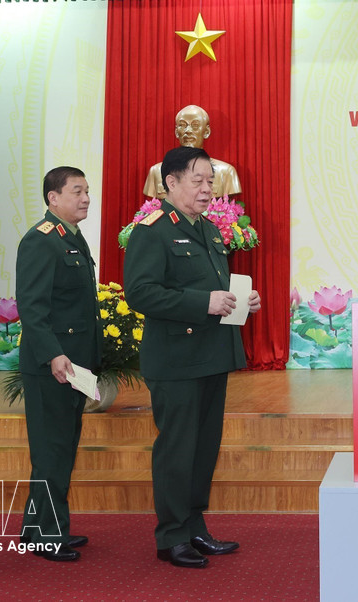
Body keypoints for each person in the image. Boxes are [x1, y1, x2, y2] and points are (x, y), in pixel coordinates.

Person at [124, 146, 261, 569]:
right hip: (176, 360)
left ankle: (195, 527)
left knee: (203, 449)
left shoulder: (207, 229)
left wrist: (241, 301)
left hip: (211, 355)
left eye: (210, 181)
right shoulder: (152, 229)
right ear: (171, 183)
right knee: (177, 449)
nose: (207, 189)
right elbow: (141, 292)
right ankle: (171, 537)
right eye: (198, 181)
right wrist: (205, 301)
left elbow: (215, 289)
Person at [15, 166, 101, 562]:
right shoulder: (41, 240)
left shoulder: (71, 236)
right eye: (77, 191)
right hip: (53, 365)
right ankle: (49, 534)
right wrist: (53, 354)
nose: (85, 198)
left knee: (62, 447)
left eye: (87, 191)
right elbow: (32, 308)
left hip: (74, 366)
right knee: (51, 450)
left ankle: (36, 528)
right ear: (53, 197)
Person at [142, 104, 242, 199]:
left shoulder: (226, 173)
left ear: (206, 132)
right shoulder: (157, 172)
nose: (188, 131)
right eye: (183, 125)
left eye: (195, 125)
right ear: (177, 132)